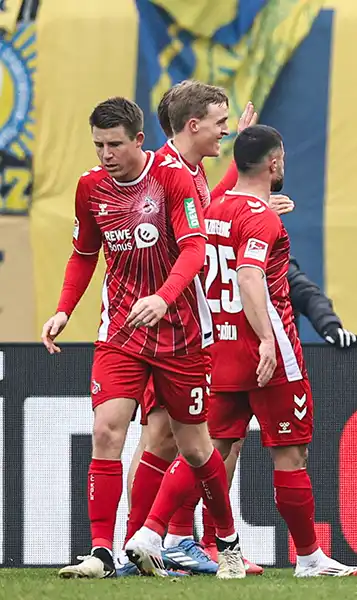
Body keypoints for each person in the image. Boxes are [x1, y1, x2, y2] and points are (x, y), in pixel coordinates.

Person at [44, 97, 244, 579]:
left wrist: (164, 297)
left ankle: (229, 542)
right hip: (122, 330)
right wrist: (63, 309)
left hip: (181, 333)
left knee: (196, 448)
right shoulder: (90, 188)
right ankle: (102, 552)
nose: (105, 154)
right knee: (106, 430)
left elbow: (195, 249)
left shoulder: (171, 177)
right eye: (97, 145)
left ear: (138, 140)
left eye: (114, 144)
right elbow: (84, 254)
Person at [201, 124, 357, 576]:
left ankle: (171, 538)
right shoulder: (261, 215)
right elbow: (251, 275)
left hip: (221, 344)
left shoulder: (216, 207)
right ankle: (309, 557)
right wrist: (269, 338)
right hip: (267, 351)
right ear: (274, 163)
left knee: (209, 451)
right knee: (290, 453)